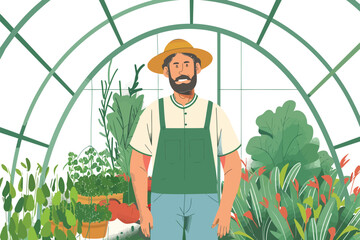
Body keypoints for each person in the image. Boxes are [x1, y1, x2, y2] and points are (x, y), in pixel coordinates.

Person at [130, 39, 242, 240]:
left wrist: (225, 209)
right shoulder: (154, 112)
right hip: (164, 200)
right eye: (175, 65)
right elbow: (138, 164)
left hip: (205, 201)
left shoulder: (214, 112)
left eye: (187, 64)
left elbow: (232, 164)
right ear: (166, 72)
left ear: (197, 68)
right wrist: (143, 210)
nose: (182, 70)